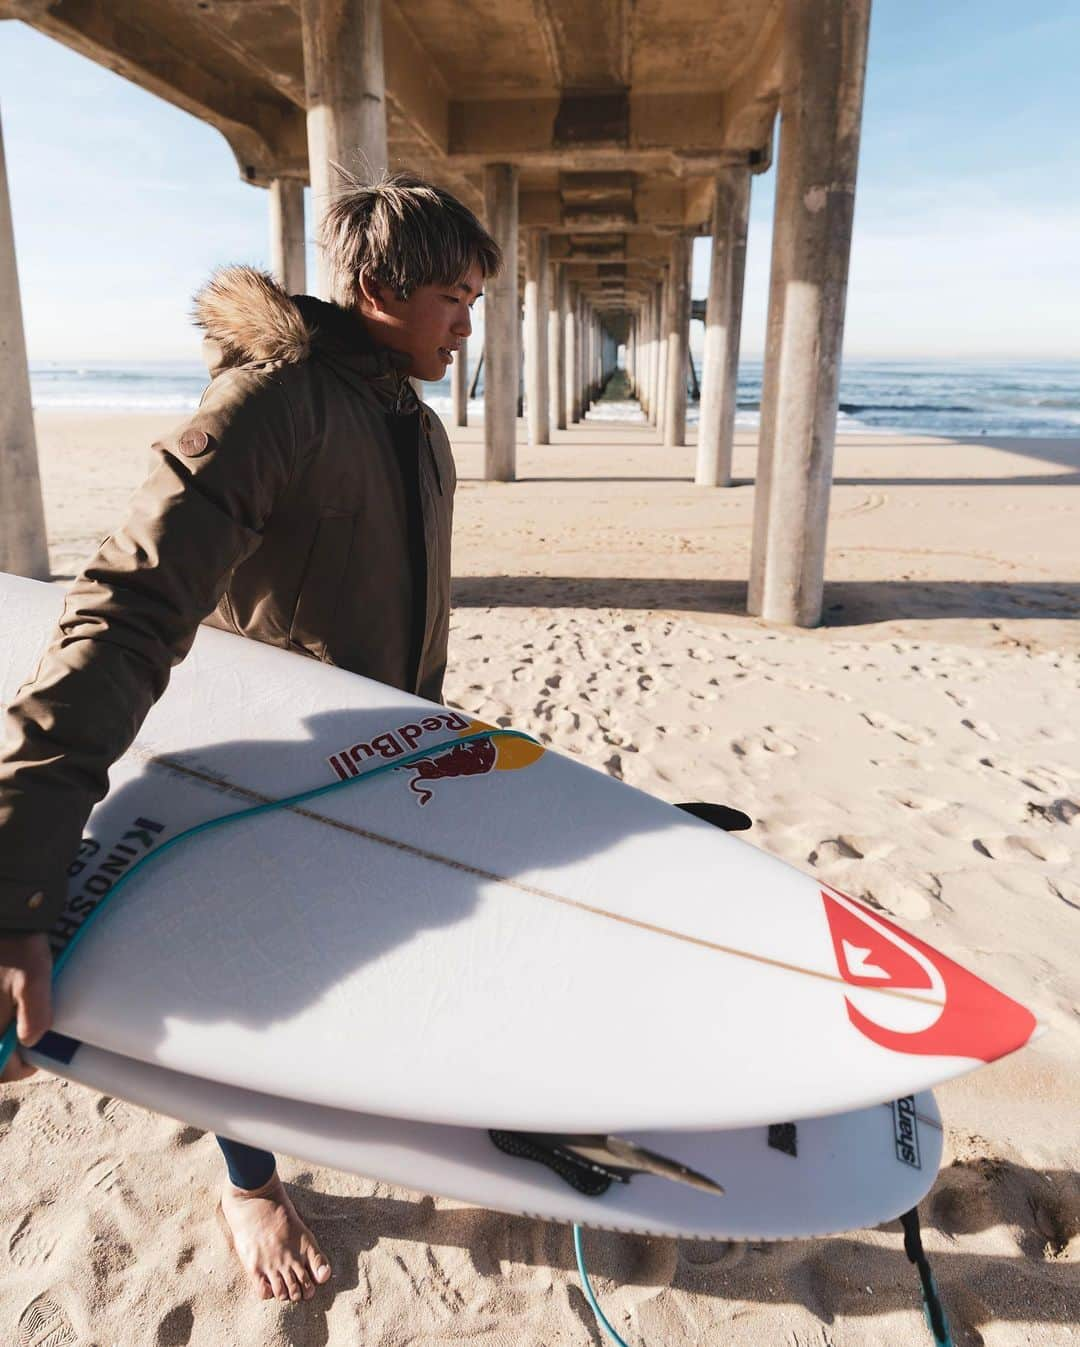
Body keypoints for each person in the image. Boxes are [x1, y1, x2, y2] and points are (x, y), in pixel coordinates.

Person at [0, 169, 500, 1303]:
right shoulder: (270, 406)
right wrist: (14, 884)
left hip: (380, 759)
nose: (469, 326)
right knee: (252, 965)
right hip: (258, 767)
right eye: (455, 299)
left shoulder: (414, 428)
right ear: (381, 285)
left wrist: (433, 731)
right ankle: (249, 1183)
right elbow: (121, 613)